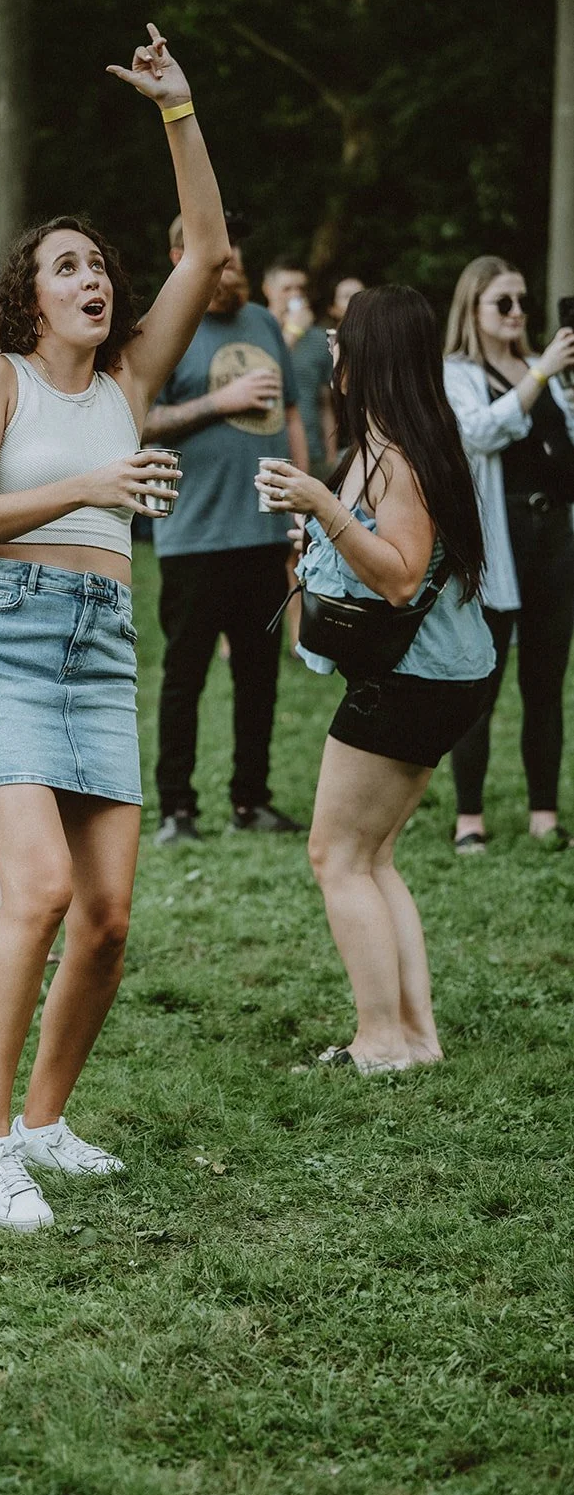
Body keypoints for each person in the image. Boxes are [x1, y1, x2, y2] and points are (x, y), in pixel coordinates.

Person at [0, 23, 230, 1230]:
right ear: (25, 293)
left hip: (101, 642)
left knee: (107, 919)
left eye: (100, 265)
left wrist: (179, 112)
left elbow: (205, 246)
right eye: (67, 266)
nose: (92, 279)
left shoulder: (129, 386)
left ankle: (46, 1122)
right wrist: (91, 487)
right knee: (40, 887)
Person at [257, 285, 494, 1076]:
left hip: (413, 681)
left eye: (340, 338)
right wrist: (319, 523)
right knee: (373, 855)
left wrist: (322, 506)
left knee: (335, 855)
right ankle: (414, 1038)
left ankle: (380, 1040)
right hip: (436, 675)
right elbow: (379, 556)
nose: (329, 348)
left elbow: (397, 579)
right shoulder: (395, 443)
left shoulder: (397, 457)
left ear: (370, 357)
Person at [143, 222, 310, 843]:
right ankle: (176, 810)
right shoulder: (165, 330)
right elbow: (138, 421)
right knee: (185, 676)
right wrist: (222, 400)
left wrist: (302, 502)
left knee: (260, 677)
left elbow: (290, 415)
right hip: (193, 538)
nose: (230, 266)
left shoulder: (265, 323)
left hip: (263, 535)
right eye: (216, 257)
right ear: (179, 258)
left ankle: (252, 801)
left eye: (234, 256)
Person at [443, 256, 574, 853]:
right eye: (504, 302)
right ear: (473, 309)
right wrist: (540, 375)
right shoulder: (457, 373)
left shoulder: (539, 368)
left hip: (551, 542)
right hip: (497, 546)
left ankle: (544, 812)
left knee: (545, 683)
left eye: (523, 301)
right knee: (481, 683)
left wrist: (548, 377)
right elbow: (477, 433)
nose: (519, 312)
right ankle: (469, 816)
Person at [262, 259, 337, 478]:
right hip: (269, 453)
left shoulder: (317, 339)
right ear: (268, 290)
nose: (295, 295)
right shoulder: (256, 330)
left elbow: (325, 403)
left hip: (314, 455)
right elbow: (265, 371)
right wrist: (293, 331)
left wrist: (331, 456)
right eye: (287, 289)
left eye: (301, 289)